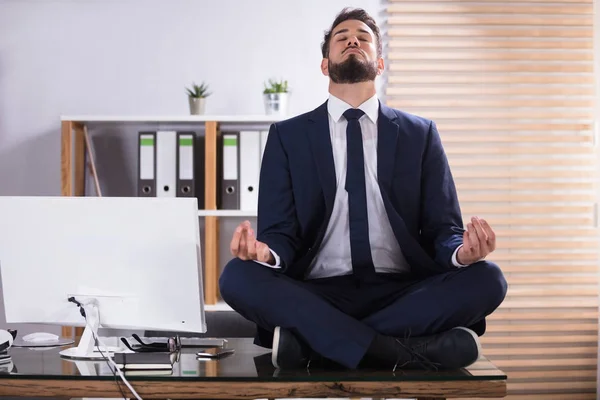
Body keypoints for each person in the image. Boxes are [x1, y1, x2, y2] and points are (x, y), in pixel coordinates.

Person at [219, 7, 507, 371]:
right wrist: (266, 253)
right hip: (319, 291)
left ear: (380, 64)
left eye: (363, 37)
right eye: (341, 37)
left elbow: (442, 229)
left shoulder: (420, 134)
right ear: (325, 65)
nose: (352, 39)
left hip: (401, 291)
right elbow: (280, 233)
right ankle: (400, 351)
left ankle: (316, 344)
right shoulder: (288, 137)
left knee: (488, 278)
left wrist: (462, 254)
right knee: (237, 276)